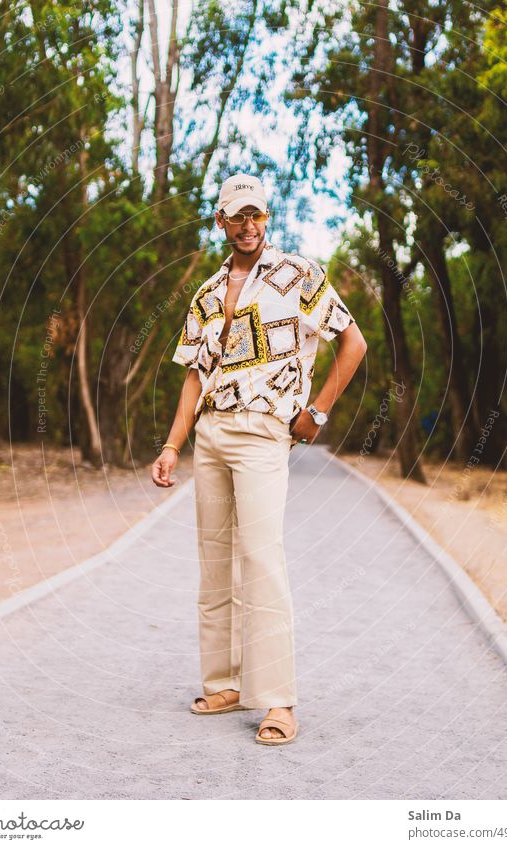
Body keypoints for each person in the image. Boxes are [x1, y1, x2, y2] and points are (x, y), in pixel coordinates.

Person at [151, 173, 367, 745]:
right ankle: (224, 682)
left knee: (262, 556)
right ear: (220, 221)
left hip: (264, 433)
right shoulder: (204, 294)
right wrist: (173, 445)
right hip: (212, 436)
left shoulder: (298, 275)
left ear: (266, 219)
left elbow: (354, 341)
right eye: (238, 216)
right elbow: (195, 379)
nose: (248, 225)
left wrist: (317, 412)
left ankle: (277, 702)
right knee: (215, 558)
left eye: (257, 216)